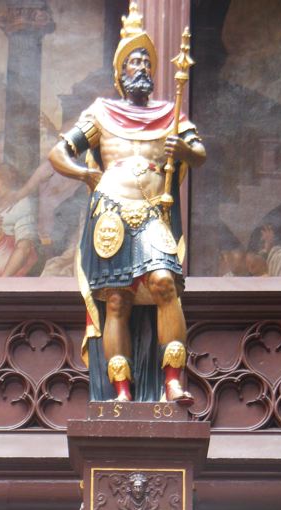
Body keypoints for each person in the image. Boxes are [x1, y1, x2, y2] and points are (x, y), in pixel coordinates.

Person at [49, 2, 206, 403]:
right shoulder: (101, 113)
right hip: (112, 212)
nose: (142, 68)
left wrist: (182, 150)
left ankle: (172, 381)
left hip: (152, 212)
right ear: (120, 74)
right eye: (134, 62)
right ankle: (121, 390)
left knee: (165, 283)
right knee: (116, 300)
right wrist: (86, 175)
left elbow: (199, 153)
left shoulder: (170, 114)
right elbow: (58, 153)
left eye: (146, 62)